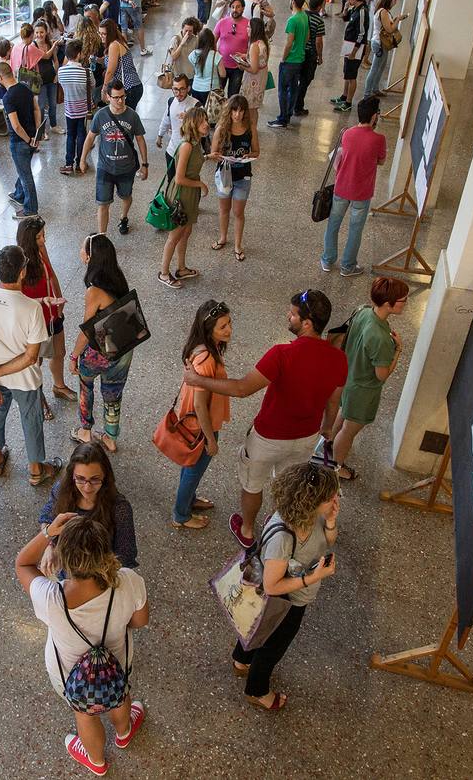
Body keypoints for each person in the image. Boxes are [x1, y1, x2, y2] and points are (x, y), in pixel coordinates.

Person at [183, 290, 346, 548]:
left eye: (292, 314)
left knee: (253, 484)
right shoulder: (339, 359)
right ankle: (277, 524)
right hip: (306, 437)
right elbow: (334, 401)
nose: (287, 316)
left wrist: (197, 380)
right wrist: (327, 428)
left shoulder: (282, 354)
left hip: (268, 436)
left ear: (306, 323)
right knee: (288, 483)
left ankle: (247, 530)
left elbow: (242, 389)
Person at [15, 513, 148, 775]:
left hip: (68, 676)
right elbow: (140, 621)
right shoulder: (129, 581)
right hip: (118, 664)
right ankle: (123, 732)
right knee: (120, 695)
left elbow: (22, 564)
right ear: (105, 551)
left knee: (85, 713)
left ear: (63, 558)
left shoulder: (50, 598)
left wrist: (49, 533)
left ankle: (96, 761)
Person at [232, 462, 340, 710]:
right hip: (288, 601)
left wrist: (331, 521)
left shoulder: (310, 516)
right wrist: (313, 577)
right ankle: (257, 691)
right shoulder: (283, 538)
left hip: (284, 597)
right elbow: (271, 586)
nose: (335, 499)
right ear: (310, 501)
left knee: (256, 625)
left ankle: (241, 660)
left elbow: (328, 540)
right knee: (272, 647)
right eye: (329, 497)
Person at [0, 245, 63, 487]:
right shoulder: (31, 309)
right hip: (25, 380)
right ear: (22, 273)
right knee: (31, 421)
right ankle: (35, 470)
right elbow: (31, 357)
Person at [326, 278, 408, 481]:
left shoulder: (363, 311)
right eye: (403, 300)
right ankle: (336, 468)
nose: (406, 303)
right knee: (349, 431)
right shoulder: (380, 338)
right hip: (363, 390)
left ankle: (327, 447)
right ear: (388, 304)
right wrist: (398, 350)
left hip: (349, 377)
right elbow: (382, 374)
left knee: (343, 414)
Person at [171, 300, 232, 530]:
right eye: (222, 326)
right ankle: (181, 514)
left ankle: (188, 500)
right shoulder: (206, 358)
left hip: (195, 424)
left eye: (229, 323)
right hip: (201, 426)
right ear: (209, 330)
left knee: (190, 468)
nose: (229, 330)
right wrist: (211, 439)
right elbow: (199, 405)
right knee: (193, 470)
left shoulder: (204, 347)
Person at [69, 234, 133, 450]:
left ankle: (85, 431)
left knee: (85, 383)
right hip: (123, 348)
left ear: (89, 257)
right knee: (113, 393)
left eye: (82, 249)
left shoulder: (94, 291)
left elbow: (87, 331)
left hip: (101, 352)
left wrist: (74, 356)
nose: (80, 252)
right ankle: (110, 438)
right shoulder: (117, 279)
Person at [39, 441, 138, 568]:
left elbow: (125, 557)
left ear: (105, 476)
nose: (87, 487)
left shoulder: (120, 509)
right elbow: (47, 517)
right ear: (72, 476)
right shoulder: (61, 490)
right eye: (80, 478)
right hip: (66, 570)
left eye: (95, 479)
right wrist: (49, 546)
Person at [320, 96, 387, 276]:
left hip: (341, 187)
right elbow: (381, 161)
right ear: (374, 116)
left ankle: (327, 260)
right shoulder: (378, 139)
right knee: (355, 230)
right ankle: (348, 266)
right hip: (362, 192)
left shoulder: (347, 133)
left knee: (333, 224)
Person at [19, 216, 74, 419]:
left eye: (44, 235)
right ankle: (38, 399)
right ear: (29, 239)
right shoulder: (21, 262)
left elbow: (51, 274)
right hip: (35, 321)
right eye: (39, 237)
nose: (44, 240)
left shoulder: (41, 251)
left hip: (52, 313)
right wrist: (46, 301)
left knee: (59, 351)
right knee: (36, 361)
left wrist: (58, 300)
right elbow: (19, 300)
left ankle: (59, 386)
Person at [78, 80, 148, 237]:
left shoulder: (132, 116)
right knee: (103, 204)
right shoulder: (100, 116)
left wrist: (145, 164)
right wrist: (83, 159)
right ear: (108, 97)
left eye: (123, 96)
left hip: (127, 168)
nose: (120, 101)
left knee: (126, 196)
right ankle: (102, 235)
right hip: (105, 167)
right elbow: (90, 138)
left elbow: (140, 140)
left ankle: (123, 217)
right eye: (116, 97)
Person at [158, 107, 209, 289]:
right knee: (175, 235)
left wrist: (209, 156)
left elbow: (194, 163)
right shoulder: (186, 145)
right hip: (181, 194)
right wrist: (201, 184)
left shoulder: (197, 143)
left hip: (189, 195)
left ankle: (181, 268)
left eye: (206, 120)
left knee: (186, 232)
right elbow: (179, 178)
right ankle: (164, 272)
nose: (206, 124)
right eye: (202, 121)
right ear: (193, 124)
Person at [210, 95, 259, 259]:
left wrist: (248, 155)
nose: (237, 114)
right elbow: (213, 153)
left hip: (243, 176)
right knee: (224, 209)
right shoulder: (221, 129)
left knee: (238, 212)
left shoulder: (250, 129)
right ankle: (223, 238)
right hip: (224, 176)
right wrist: (220, 156)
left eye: (241, 111)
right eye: (234, 110)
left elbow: (256, 151)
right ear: (229, 111)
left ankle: (238, 245)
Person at [0, 61, 44, 220]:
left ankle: (31, 209)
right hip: (32, 136)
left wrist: (28, 139)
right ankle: (18, 194)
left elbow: (16, 126)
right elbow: (37, 109)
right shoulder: (25, 87)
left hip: (20, 142)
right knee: (22, 168)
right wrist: (36, 132)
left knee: (26, 175)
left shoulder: (8, 97)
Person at [268, 0, 309, 129]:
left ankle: (282, 117)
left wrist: (283, 58)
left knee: (283, 90)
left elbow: (289, 42)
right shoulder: (304, 16)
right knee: (293, 88)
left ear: (292, 1)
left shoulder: (292, 20)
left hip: (290, 60)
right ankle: (288, 114)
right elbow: (308, 36)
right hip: (300, 59)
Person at [331, 0, 368, 113]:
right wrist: (346, 9)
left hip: (355, 48)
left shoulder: (362, 11)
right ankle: (344, 96)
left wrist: (354, 51)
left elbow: (362, 33)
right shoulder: (354, 8)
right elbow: (345, 18)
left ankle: (348, 102)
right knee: (347, 73)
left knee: (352, 76)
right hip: (349, 45)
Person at [58, 40, 92, 176]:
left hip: (69, 109)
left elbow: (61, 84)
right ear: (79, 54)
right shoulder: (86, 72)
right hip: (83, 110)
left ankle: (68, 164)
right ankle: (80, 163)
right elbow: (92, 85)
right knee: (81, 135)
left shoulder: (61, 71)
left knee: (70, 135)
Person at [156, 73, 197, 179]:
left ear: (188, 88)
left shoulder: (196, 105)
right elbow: (166, 119)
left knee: (186, 183)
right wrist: (160, 135)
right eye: (175, 89)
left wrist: (189, 118)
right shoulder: (171, 101)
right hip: (172, 151)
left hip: (189, 153)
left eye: (182, 89)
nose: (178, 93)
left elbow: (203, 129)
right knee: (171, 182)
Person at [293, 0, 326, 115]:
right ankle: (298, 106)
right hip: (310, 54)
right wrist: (320, 56)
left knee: (297, 78)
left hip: (299, 51)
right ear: (319, 7)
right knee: (305, 81)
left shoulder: (302, 16)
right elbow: (318, 41)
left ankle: (293, 103)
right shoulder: (319, 20)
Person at [100, 19, 144, 110]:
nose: (101, 36)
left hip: (129, 87)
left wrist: (104, 90)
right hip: (134, 85)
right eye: (100, 33)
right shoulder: (118, 41)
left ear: (111, 33)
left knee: (124, 119)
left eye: (104, 34)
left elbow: (110, 71)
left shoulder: (114, 45)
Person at [213, 0, 250, 95]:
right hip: (221, 65)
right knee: (217, 95)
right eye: (233, 7)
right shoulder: (222, 22)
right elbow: (212, 41)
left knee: (233, 96)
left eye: (238, 7)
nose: (235, 10)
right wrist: (215, 57)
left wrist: (246, 56)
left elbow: (253, 45)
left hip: (238, 67)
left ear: (243, 8)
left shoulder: (248, 24)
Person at [188, 27, 224, 104]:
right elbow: (223, 74)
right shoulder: (215, 55)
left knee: (198, 113)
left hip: (196, 88)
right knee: (210, 113)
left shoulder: (193, 54)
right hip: (212, 89)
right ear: (212, 41)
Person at [166, 16, 202, 85]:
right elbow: (174, 57)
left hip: (191, 75)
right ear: (182, 29)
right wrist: (181, 44)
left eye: (190, 31)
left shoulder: (195, 40)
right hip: (178, 75)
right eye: (186, 30)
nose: (187, 33)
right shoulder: (176, 39)